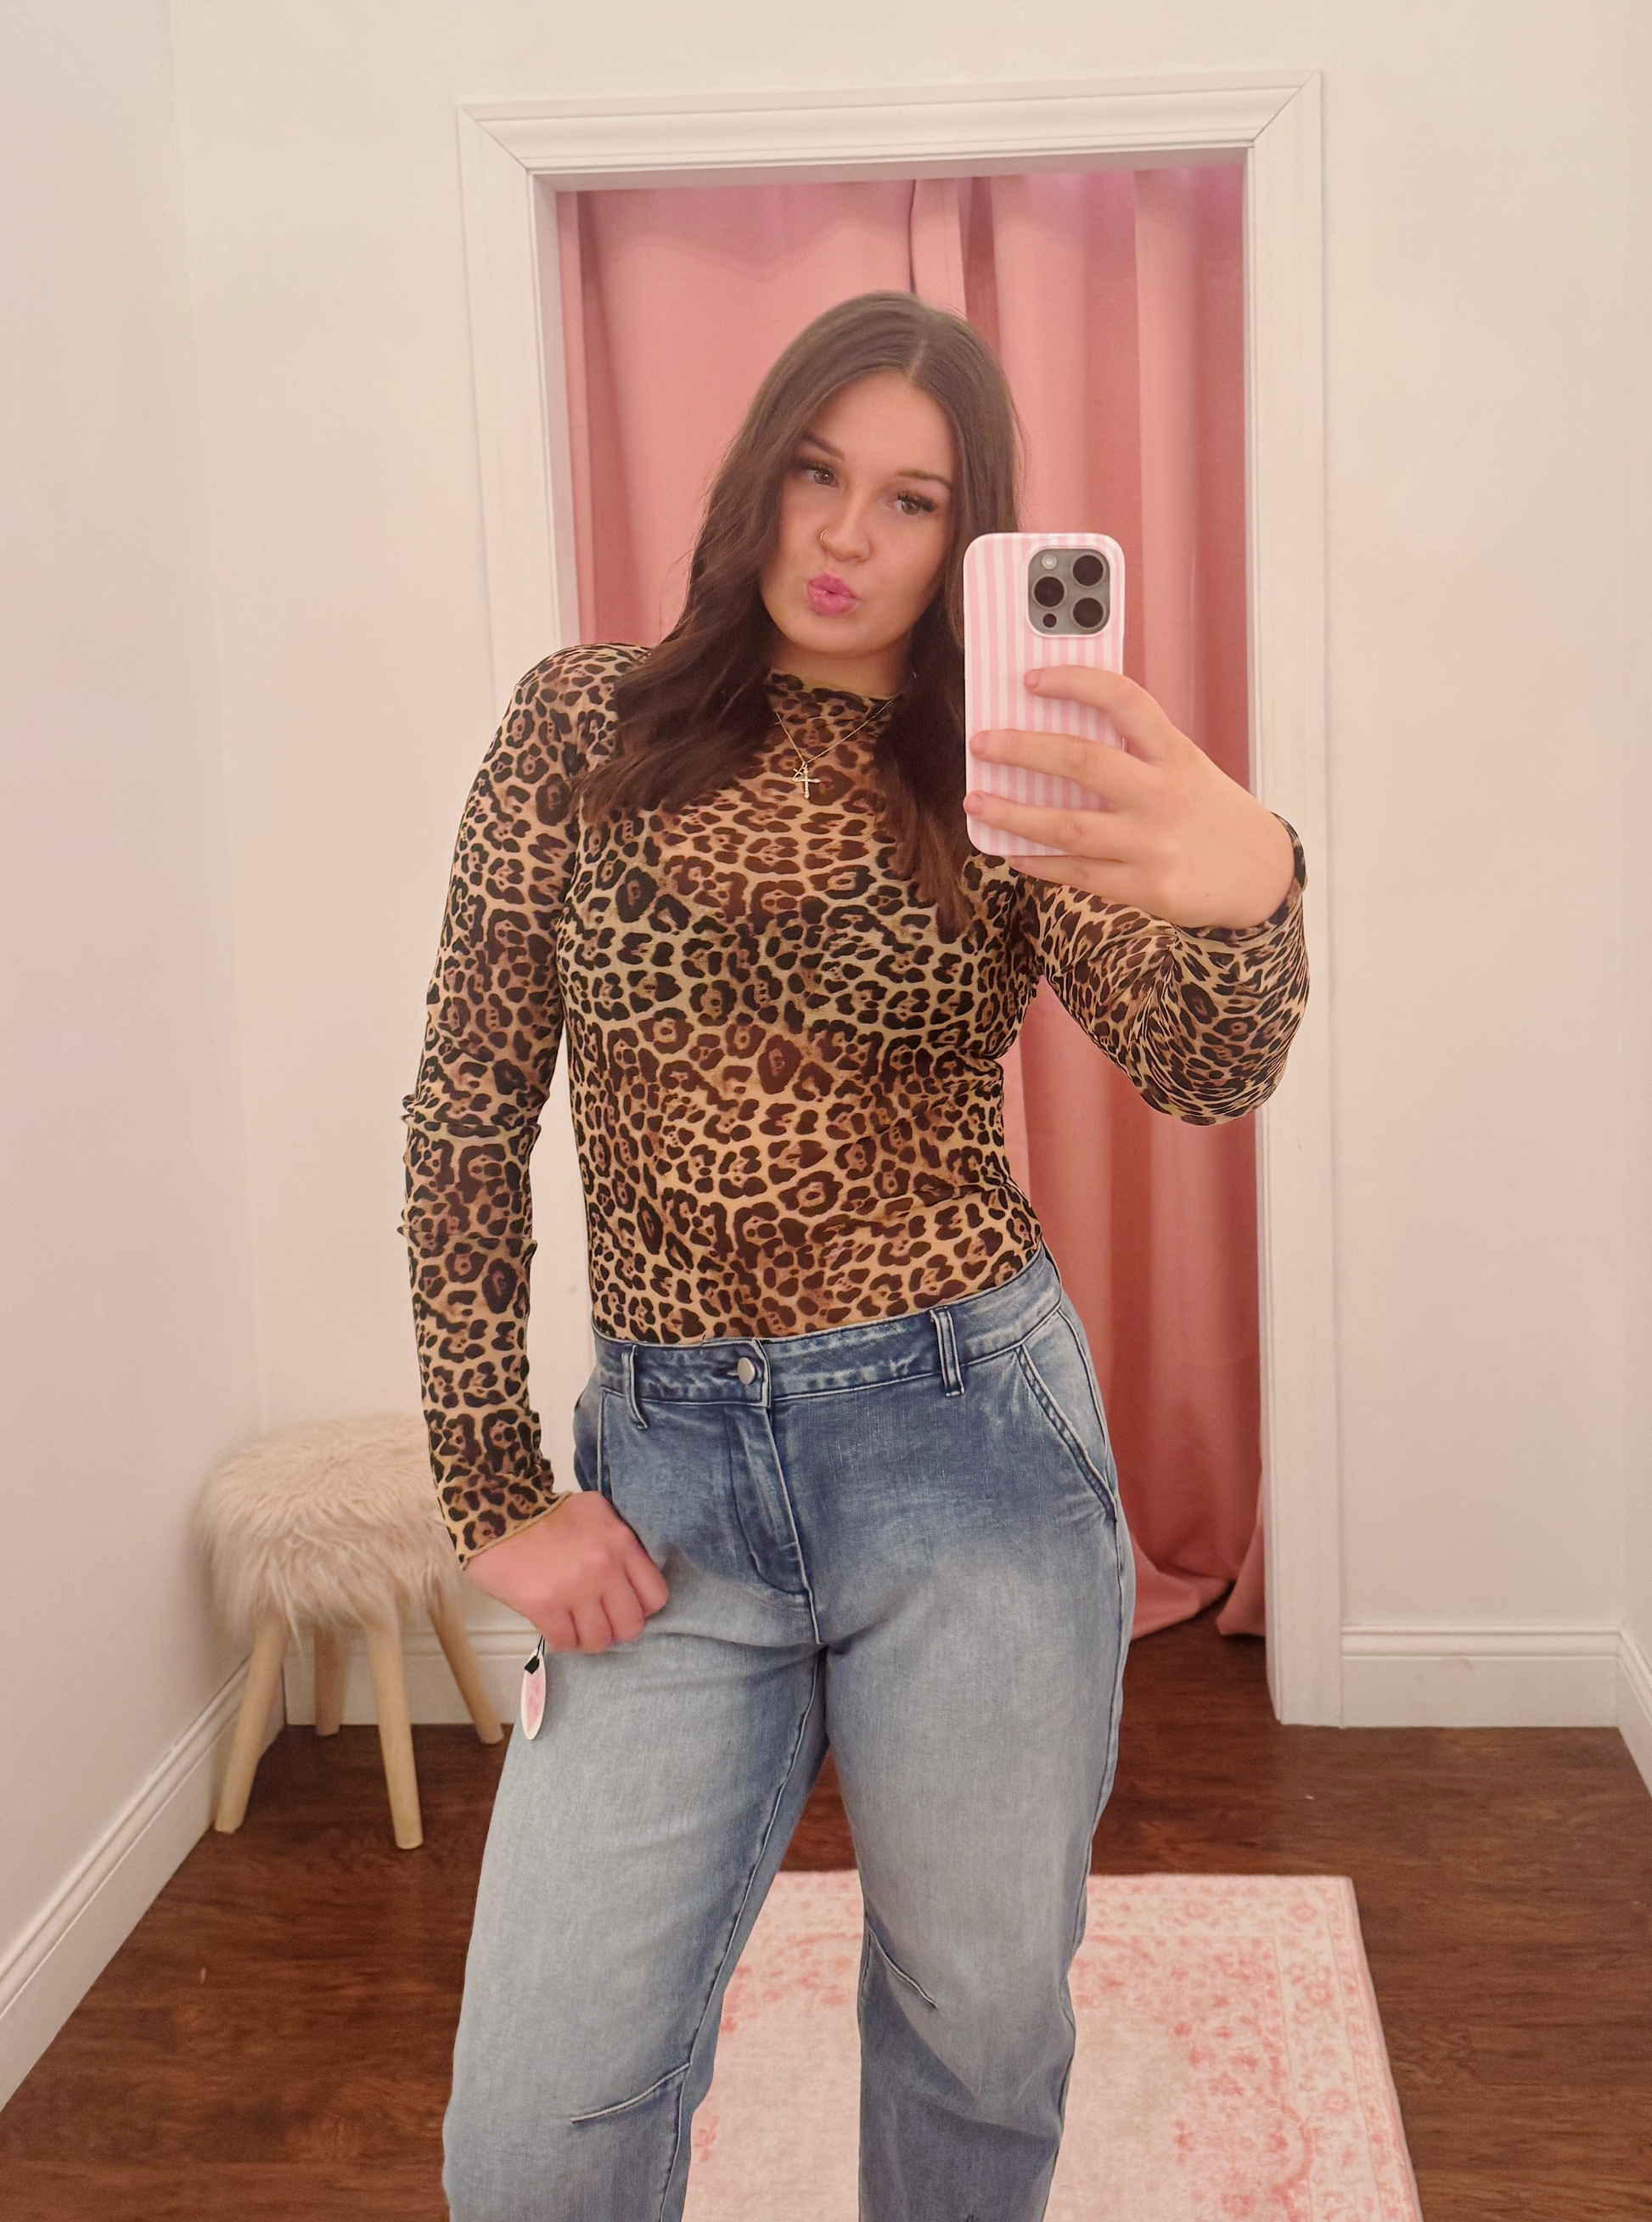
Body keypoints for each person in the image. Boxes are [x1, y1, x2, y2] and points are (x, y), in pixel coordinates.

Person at [402, 289, 1308, 2221]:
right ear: (756, 473)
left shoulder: (1003, 772)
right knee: (532, 2121)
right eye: (817, 473)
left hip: (966, 1455)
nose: (842, 536)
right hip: (668, 1490)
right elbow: (469, 1108)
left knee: (978, 2027)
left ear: (970, 538)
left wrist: (1257, 888)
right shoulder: (583, 719)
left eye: (911, 501)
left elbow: (1203, 1070)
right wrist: (492, 1486)